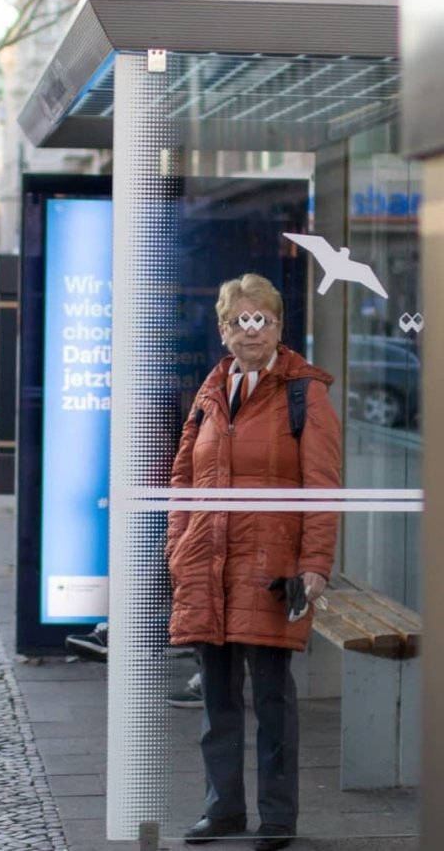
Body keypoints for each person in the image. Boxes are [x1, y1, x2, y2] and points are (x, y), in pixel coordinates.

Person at [165, 274, 341, 850]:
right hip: (207, 567)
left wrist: (314, 564)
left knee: (271, 698)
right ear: (223, 330)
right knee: (216, 699)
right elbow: (183, 479)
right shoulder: (210, 394)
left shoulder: (304, 394)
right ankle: (223, 811)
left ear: (278, 327)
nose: (252, 331)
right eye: (240, 321)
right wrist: (178, 546)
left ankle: (278, 817)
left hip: (271, 568)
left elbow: (322, 487)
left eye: (261, 320)